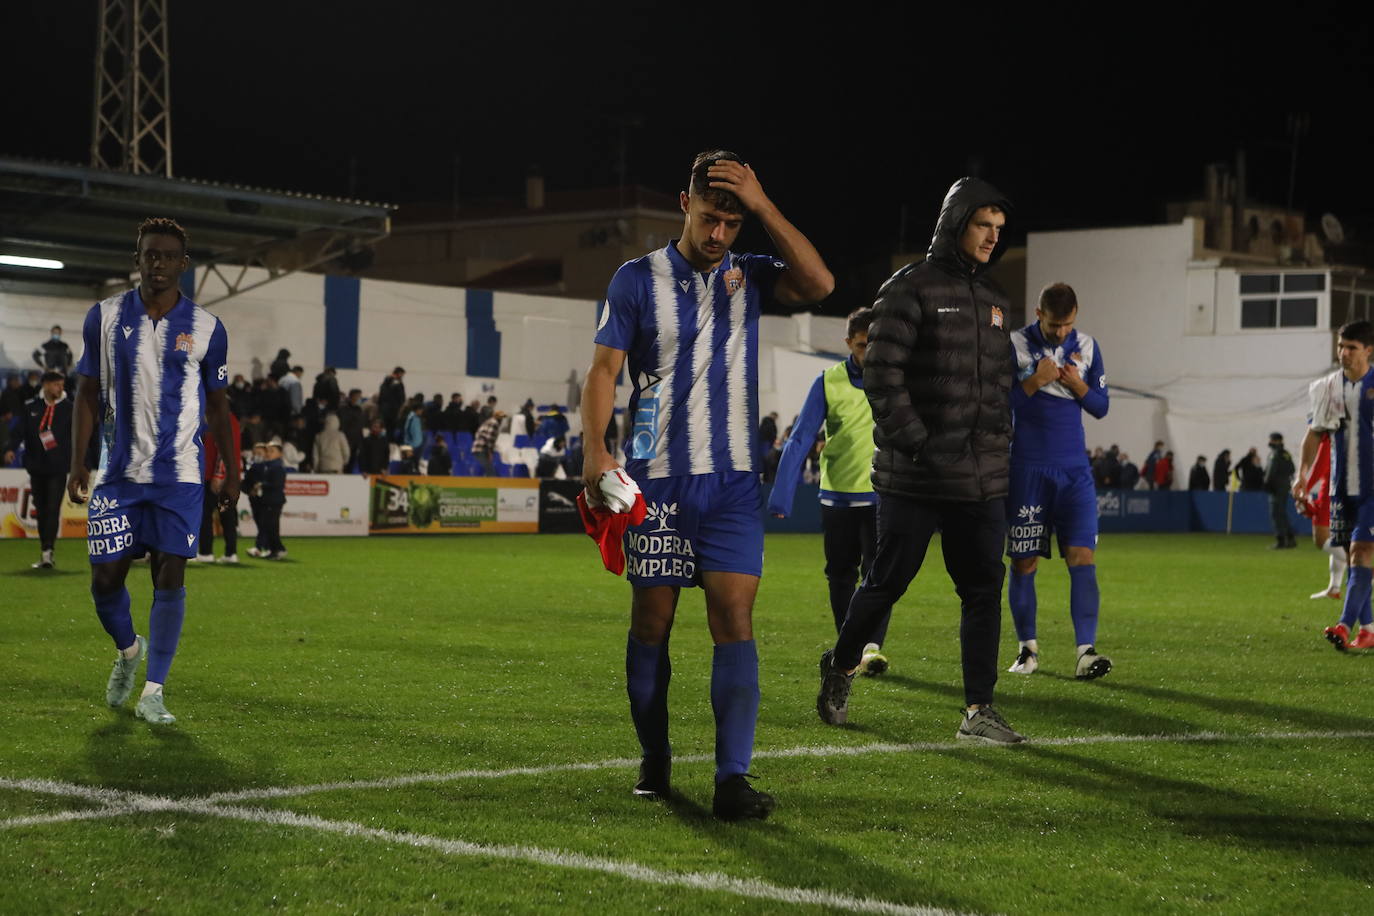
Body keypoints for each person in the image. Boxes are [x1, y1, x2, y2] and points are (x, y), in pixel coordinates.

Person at [581, 149, 833, 820]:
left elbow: (820, 284)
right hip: (656, 481)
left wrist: (764, 203)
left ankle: (731, 779)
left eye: (732, 223)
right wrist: (595, 450)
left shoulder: (750, 276)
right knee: (652, 622)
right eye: (711, 218)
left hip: (731, 485)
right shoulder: (635, 280)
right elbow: (605, 371)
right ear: (683, 204)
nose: (719, 234)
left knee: (735, 617)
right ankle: (656, 756)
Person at [815, 177, 1024, 746]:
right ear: (957, 223)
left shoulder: (997, 301)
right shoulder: (908, 288)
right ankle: (840, 665)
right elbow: (881, 376)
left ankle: (978, 710)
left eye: (999, 230)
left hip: (982, 477)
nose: (991, 238)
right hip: (917, 477)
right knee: (885, 582)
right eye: (983, 226)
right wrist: (918, 444)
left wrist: (1000, 443)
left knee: (983, 590)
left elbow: (1000, 386)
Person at [67, 217, 239, 726]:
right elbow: (85, 392)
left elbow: (219, 403)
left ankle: (154, 691)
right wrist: (79, 461)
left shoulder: (208, 328)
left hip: (180, 477)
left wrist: (231, 465)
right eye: (149, 254)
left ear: (184, 264)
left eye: (167, 256)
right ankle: (127, 650)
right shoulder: (103, 316)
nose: (157, 263)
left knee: (170, 574)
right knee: (104, 581)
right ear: (137, 258)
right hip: (118, 475)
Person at [768, 307, 890, 673]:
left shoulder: (893, 379)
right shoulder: (828, 381)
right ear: (849, 343)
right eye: (861, 345)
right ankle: (850, 647)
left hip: (880, 494)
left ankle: (870, 647)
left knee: (879, 576)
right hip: (836, 495)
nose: (868, 353)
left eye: (875, 344)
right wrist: (782, 493)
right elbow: (802, 435)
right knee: (840, 573)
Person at [1001, 282, 1112, 681]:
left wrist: (1076, 384)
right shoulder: (1014, 345)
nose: (1061, 331)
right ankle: (1027, 650)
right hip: (1028, 469)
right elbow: (998, 404)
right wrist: (1034, 379)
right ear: (1038, 313)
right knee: (1024, 561)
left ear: (1075, 316)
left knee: (1082, 557)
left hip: (1074, 472)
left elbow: (1101, 407)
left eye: (1067, 324)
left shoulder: (1089, 346)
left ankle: (1086, 652)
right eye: (1053, 324)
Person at [1322, 322, 1374, 650]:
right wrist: (1302, 476)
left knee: (1360, 551)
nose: (1343, 352)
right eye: (1341, 346)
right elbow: (1315, 434)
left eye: (1351, 346)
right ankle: (1368, 629)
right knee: (1353, 556)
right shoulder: (1329, 388)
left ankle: (1344, 624)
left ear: (1369, 350)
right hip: (1343, 487)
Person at [1294, 365, 1348, 600]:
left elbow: (1322, 458)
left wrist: (1305, 481)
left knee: (1323, 538)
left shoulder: (1329, 429)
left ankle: (1364, 570)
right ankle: (1335, 587)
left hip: (1334, 485)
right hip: (1341, 481)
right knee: (1340, 536)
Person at [21, 370, 73, 569]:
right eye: (56, 384)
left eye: (61, 384)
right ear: (45, 385)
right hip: (36, 467)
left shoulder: (69, 408)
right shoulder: (31, 407)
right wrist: (9, 449)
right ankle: (44, 550)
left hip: (58, 468)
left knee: (52, 509)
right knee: (41, 511)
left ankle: (49, 551)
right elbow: (22, 433)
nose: (60, 388)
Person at [195, 409, 242, 564]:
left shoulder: (222, 418)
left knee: (207, 515)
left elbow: (225, 447)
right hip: (223, 476)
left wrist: (219, 475)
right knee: (226, 515)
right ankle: (230, 553)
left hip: (216, 477)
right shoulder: (227, 418)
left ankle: (207, 552)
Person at [254, 438, 287, 559]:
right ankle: (275, 549)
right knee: (269, 526)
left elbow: (277, 485)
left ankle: (278, 549)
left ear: (280, 454)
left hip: (274, 501)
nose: (268, 453)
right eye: (268, 451)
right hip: (270, 500)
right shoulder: (270, 466)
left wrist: (261, 484)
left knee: (271, 527)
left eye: (272, 451)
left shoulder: (277, 467)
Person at [1264, 432, 1296, 549]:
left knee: (1276, 513)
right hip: (1284, 486)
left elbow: (1270, 471)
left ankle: (1281, 540)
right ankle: (1290, 538)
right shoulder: (1286, 454)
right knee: (1282, 513)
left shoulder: (1275, 454)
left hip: (1276, 487)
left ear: (1277, 441)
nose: (1270, 442)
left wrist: (1267, 483)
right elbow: (1292, 469)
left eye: (1271, 440)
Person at [378, 366, 406, 437]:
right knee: (389, 431)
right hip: (391, 411)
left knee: (388, 430)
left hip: (387, 410)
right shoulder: (395, 383)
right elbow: (400, 398)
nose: (402, 376)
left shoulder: (386, 383)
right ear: (398, 373)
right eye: (402, 374)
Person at [473, 409, 502, 476]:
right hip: (483, 449)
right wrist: (490, 452)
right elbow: (489, 438)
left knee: (486, 469)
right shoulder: (495, 423)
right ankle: (493, 484)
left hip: (477, 447)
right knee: (490, 471)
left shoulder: (486, 422)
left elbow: (477, 434)